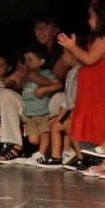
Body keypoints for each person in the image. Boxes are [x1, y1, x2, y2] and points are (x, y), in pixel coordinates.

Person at [58, 0, 105, 177]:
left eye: (92, 16)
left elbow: (89, 59)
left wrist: (72, 46)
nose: (89, 20)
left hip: (103, 87)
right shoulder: (98, 38)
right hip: (95, 87)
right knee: (102, 123)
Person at [0, 43, 61, 165]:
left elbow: (54, 84)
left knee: (42, 135)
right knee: (5, 93)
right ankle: (14, 145)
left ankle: (44, 152)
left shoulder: (45, 73)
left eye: (30, 60)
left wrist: (41, 86)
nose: (26, 63)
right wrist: (14, 77)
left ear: (41, 61)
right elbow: (8, 84)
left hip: (44, 111)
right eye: (25, 60)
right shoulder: (26, 75)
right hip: (29, 112)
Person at [37, 40, 82, 168]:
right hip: (73, 111)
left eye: (64, 53)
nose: (61, 56)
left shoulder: (81, 72)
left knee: (69, 126)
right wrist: (59, 118)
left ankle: (81, 158)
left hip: (80, 112)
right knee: (55, 125)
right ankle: (56, 157)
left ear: (74, 55)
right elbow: (67, 99)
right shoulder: (71, 72)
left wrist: (71, 116)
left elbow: (78, 98)